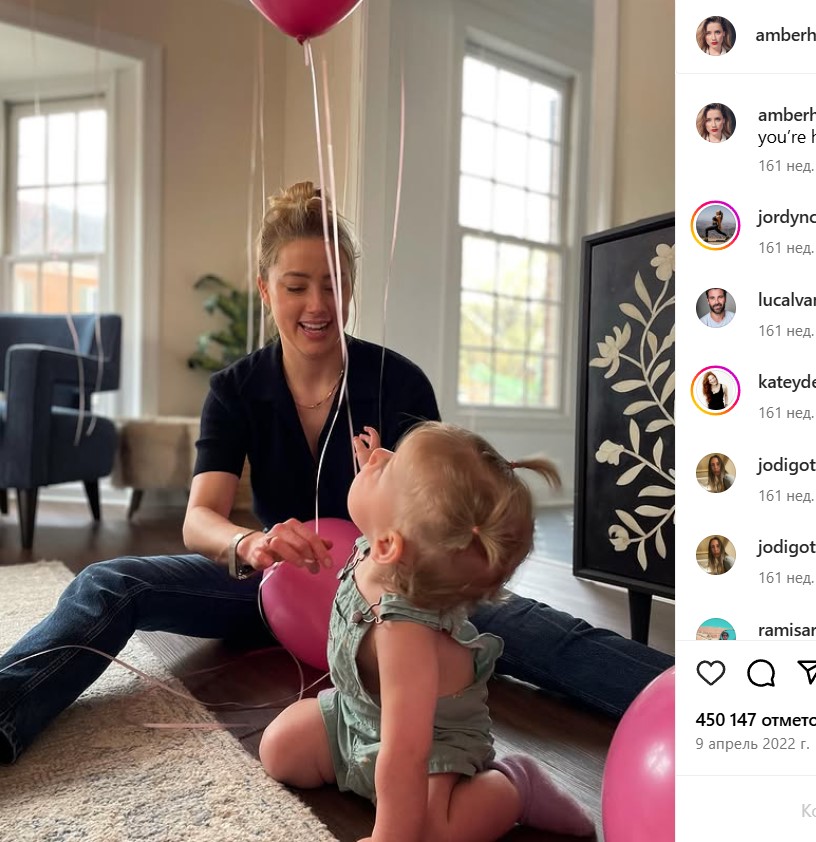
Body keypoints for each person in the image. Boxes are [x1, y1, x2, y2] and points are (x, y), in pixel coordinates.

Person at [0, 182, 672, 766]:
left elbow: (444, 514)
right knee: (108, 582)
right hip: (276, 585)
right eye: (296, 285)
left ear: (350, 287)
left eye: (333, 284)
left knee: (547, 633)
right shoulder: (235, 389)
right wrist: (251, 544)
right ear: (265, 288)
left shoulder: (398, 381)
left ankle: (709, 709)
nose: (317, 303)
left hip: (399, 594)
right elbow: (200, 517)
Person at [260, 421, 594, 840]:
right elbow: (394, 515)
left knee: (434, 832)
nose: (379, 456)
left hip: (431, 743)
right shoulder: (387, 545)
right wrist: (376, 478)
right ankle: (373, 779)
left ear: (389, 544)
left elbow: (407, 752)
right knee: (279, 749)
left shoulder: (405, 635)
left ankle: (515, 786)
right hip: (359, 714)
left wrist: (389, 836)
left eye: (387, 466)